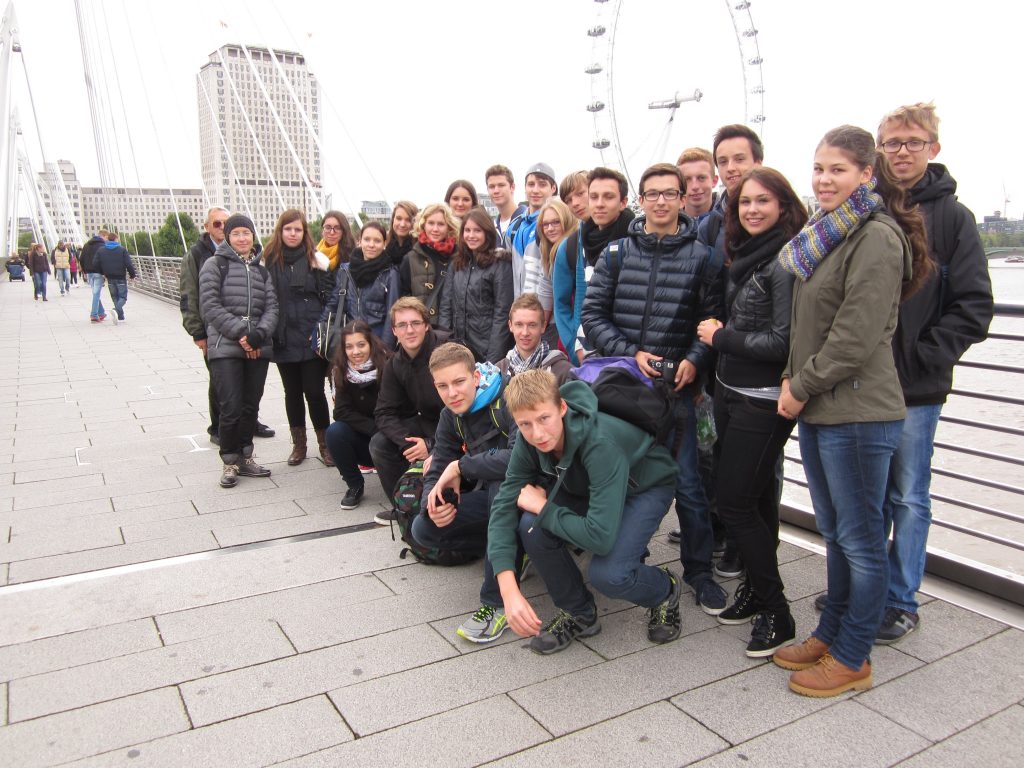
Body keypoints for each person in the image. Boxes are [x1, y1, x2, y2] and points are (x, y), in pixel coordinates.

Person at [772, 125, 931, 697]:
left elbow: (855, 336)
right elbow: (810, 325)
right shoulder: (828, 234)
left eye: (837, 169)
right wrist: (793, 377)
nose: (824, 179)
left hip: (859, 412)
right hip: (822, 408)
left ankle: (854, 654)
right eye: (818, 168)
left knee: (862, 541)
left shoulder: (876, 238)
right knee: (837, 534)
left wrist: (800, 385)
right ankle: (831, 632)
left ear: (867, 174)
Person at [864, 103, 993, 643]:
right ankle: (867, 593)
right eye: (891, 143)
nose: (901, 152)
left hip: (916, 388)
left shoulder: (953, 218)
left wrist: (922, 357)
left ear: (932, 148)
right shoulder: (863, 207)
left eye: (913, 142)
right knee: (867, 497)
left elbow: (974, 305)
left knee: (909, 496)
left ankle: (901, 600)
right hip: (861, 385)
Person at [581, 161, 728, 616]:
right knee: (622, 478)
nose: (661, 201)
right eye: (652, 194)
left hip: (677, 390)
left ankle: (699, 571)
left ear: (683, 199)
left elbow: (711, 320)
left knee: (689, 485)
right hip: (625, 388)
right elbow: (592, 315)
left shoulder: (704, 257)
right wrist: (631, 353)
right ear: (640, 200)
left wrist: (694, 360)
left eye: (669, 193)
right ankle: (632, 558)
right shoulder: (616, 254)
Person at [694, 167, 808, 657]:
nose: (753, 210)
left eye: (763, 201)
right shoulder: (745, 254)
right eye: (744, 202)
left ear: (783, 205)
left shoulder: (785, 260)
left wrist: (721, 337)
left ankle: (778, 611)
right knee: (757, 500)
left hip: (762, 399)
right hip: (730, 391)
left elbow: (784, 341)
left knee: (735, 502)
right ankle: (758, 591)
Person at [487, 369, 682, 653]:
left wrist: (543, 506)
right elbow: (503, 505)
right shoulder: (530, 442)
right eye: (525, 424)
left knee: (610, 575)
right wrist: (508, 590)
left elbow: (599, 538)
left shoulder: (600, 443)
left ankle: (664, 589)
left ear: (562, 408)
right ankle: (579, 613)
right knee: (531, 524)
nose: (537, 433)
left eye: (544, 418)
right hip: (590, 485)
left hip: (644, 487)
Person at [419, 343, 519, 643]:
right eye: (442, 386)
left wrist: (461, 466)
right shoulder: (450, 416)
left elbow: (518, 459)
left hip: (530, 498)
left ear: (476, 377)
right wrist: (431, 503)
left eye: (459, 382)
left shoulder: (509, 397)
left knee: (500, 486)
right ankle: (509, 552)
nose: (452, 393)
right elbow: (438, 465)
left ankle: (496, 604)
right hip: (490, 501)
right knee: (423, 527)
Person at [198, 214, 279, 489]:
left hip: (257, 346)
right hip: (226, 346)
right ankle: (230, 461)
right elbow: (210, 305)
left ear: (253, 236)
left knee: (250, 406)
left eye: (247, 233)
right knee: (230, 407)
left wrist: (257, 336)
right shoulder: (215, 265)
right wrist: (243, 334)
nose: (242, 238)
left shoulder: (262, 270)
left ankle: (246, 455)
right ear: (228, 237)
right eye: (236, 233)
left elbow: (272, 307)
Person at [369, 297, 451, 524]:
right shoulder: (396, 363)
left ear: (427, 325)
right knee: (379, 444)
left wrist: (432, 444)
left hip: (458, 426)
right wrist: (409, 443)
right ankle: (403, 508)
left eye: (415, 323)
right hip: (426, 422)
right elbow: (384, 412)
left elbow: (465, 409)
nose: (409, 330)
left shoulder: (447, 352)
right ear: (394, 331)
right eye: (402, 325)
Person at [265, 209, 336, 467]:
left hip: (310, 336)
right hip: (283, 337)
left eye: (298, 229)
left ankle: (326, 445)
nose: (293, 234)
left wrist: (320, 330)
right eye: (288, 229)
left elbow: (329, 298)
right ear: (281, 231)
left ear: (305, 232)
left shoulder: (317, 261)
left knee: (315, 392)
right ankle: (299, 445)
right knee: (292, 393)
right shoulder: (269, 261)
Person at [552, 167, 635, 364]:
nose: (575, 203)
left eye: (580, 194)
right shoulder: (570, 246)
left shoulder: (636, 237)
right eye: (568, 199)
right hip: (587, 350)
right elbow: (560, 303)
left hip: (631, 348)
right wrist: (573, 346)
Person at [326, 320, 391, 511]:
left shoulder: (389, 365)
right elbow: (340, 412)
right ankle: (354, 485)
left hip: (391, 437)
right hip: (366, 437)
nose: (356, 352)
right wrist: (373, 429)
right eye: (349, 347)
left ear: (371, 344)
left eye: (361, 345)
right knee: (335, 432)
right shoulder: (341, 370)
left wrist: (383, 431)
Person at [439, 207, 513, 363]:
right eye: (467, 230)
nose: (471, 235)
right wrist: (444, 344)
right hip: (458, 348)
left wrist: (492, 359)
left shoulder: (499, 265)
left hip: (486, 349)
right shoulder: (457, 263)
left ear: (487, 232)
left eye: (477, 231)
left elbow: (502, 314)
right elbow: (446, 306)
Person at [326, 221, 400, 347]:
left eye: (377, 241)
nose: (371, 245)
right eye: (367, 239)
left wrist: (385, 349)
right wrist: (319, 328)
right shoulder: (346, 271)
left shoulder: (390, 274)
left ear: (384, 244)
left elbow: (392, 314)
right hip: (351, 342)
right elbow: (334, 303)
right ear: (359, 241)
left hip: (376, 342)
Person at [399, 203, 459, 326]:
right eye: (431, 223)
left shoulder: (459, 257)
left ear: (449, 227)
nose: (435, 229)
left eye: (441, 224)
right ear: (423, 225)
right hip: (423, 329)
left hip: (453, 328)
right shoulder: (410, 259)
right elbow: (404, 301)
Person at [508, 163, 557, 306]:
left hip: (546, 312)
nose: (535, 190)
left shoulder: (558, 225)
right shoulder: (514, 226)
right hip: (518, 311)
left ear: (553, 188)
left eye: (542, 184)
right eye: (531, 184)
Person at [497, 293, 572, 385]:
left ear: (543, 326)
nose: (525, 333)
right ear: (510, 326)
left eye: (532, 325)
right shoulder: (498, 372)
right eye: (519, 325)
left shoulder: (563, 372)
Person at [96, 232, 137, 324]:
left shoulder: (101, 250)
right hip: (120, 277)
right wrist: (132, 275)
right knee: (123, 297)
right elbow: (128, 264)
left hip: (109, 277)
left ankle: (120, 316)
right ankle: (115, 309)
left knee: (114, 297)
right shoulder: (122, 250)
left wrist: (103, 273)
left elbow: (96, 263)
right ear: (115, 239)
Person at [485, 164, 527, 246]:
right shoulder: (491, 228)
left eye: (501, 185)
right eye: (492, 186)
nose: (496, 191)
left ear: (512, 187)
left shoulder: (527, 221)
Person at [676, 147, 719, 222]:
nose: (695, 186)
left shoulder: (734, 221)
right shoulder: (668, 223)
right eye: (687, 179)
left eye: (701, 178)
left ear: (714, 181)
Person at [80, 230, 108, 321]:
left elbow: (81, 258)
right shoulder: (102, 246)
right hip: (98, 272)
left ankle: (101, 312)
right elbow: (104, 260)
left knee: (95, 293)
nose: (107, 240)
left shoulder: (86, 245)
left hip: (89, 272)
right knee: (96, 293)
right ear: (103, 236)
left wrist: (84, 271)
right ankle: (94, 314)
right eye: (107, 238)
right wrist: (105, 273)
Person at [384, 201, 419, 268]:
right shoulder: (383, 245)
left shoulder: (421, 250)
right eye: (399, 218)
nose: (402, 224)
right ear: (393, 219)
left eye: (408, 220)